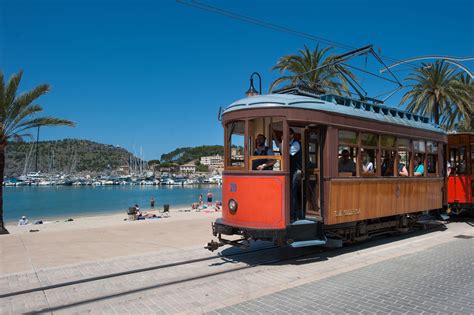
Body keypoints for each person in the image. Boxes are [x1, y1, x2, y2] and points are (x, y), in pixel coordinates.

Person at [274, 128, 302, 221]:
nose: (285, 135)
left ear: (292, 135)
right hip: (289, 170)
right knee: (288, 192)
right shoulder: (286, 143)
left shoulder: (296, 144)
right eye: (284, 134)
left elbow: (287, 153)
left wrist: (282, 141)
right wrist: (281, 140)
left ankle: (293, 215)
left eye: (287, 134)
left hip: (295, 171)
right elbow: (281, 149)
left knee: (292, 192)